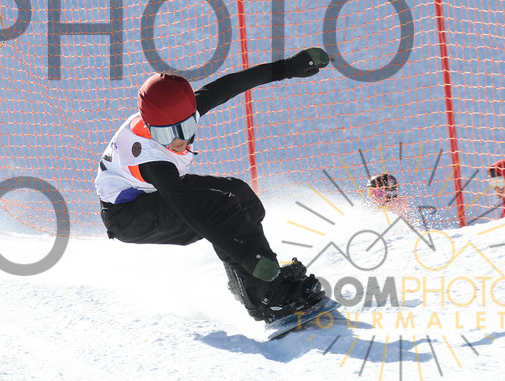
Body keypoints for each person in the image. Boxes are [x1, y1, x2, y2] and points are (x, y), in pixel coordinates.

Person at [96, 48, 332, 322]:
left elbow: (231, 85)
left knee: (239, 194)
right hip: (128, 217)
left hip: (150, 196)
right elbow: (195, 215)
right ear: (150, 127)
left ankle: (253, 284)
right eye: (165, 134)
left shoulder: (175, 114)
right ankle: (268, 297)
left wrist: (289, 67)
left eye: (186, 129)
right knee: (220, 207)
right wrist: (248, 256)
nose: (178, 140)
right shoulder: (153, 161)